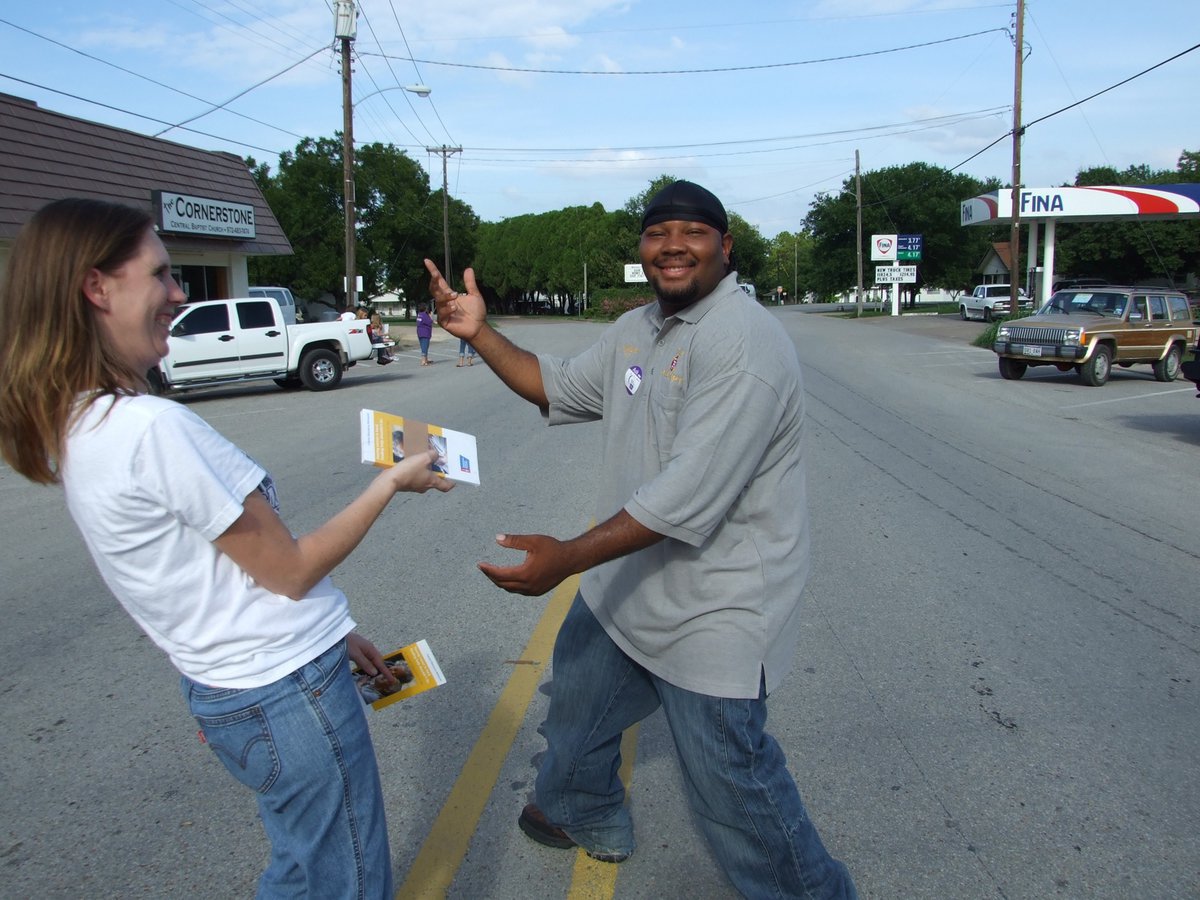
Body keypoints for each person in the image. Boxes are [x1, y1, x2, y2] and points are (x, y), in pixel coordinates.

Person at [0, 198, 455, 899]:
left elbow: (215, 580)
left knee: (301, 870)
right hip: (286, 697)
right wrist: (392, 481)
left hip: (234, 693)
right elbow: (291, 570)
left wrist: (336, 636)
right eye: (159, 275)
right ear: (97, 288)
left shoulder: (82, 425)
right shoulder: (150, 428)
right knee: (348, 883)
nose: (179, 294)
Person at [424, 180, 856, 898]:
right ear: (642, 248)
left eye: (692, 232)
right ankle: (581, 808)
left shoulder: (742, 343)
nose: (674, 246)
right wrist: (479, 332)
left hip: (715, 606)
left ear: (725, 246)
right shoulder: (638, 330)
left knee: (733, 792)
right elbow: (555, 384)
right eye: (659, 233)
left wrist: (565, 559)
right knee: (578, 703)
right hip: (629, 582)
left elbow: (686, 498)